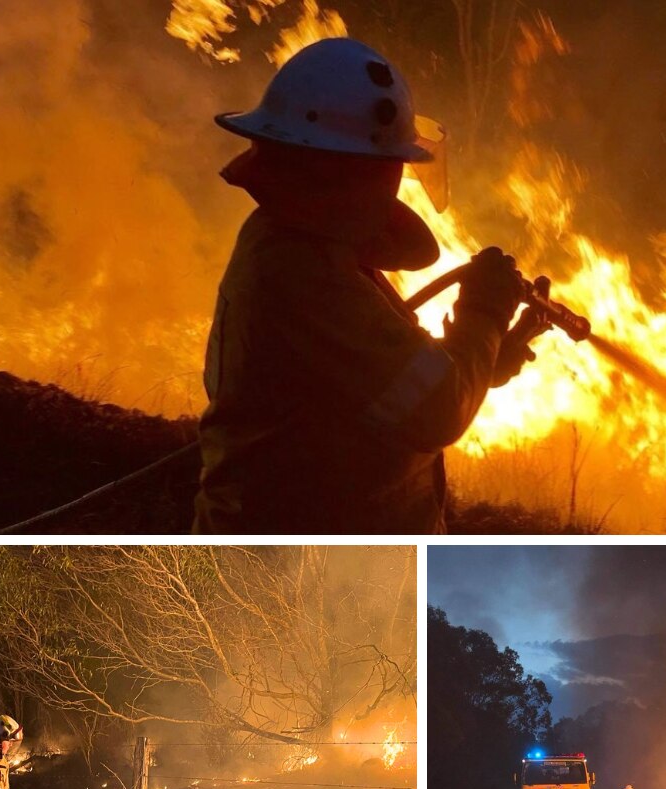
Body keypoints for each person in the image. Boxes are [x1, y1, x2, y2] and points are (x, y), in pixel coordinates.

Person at [194, 36, 552, 534]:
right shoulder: (300, 272)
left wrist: (483, 358)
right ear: (344, 170)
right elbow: (437, 409)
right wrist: (484, 314)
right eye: (391, 169)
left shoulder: (313, 245)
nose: (395, 184)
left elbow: (368, 388)